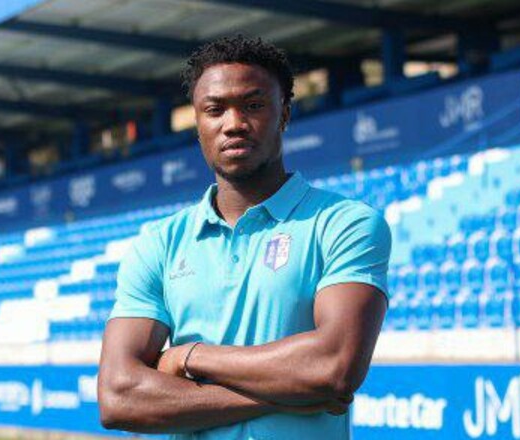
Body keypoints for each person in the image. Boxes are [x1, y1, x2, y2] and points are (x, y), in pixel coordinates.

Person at [98, 35, 391, 440]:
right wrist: (284, 396)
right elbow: (118, 397)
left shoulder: (345, 224)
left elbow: (334, 366)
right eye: (214, 110)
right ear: (198, 124)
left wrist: (190, 356)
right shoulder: (159, 244)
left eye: (253, 105)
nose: (233, 123)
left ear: (284, 115)